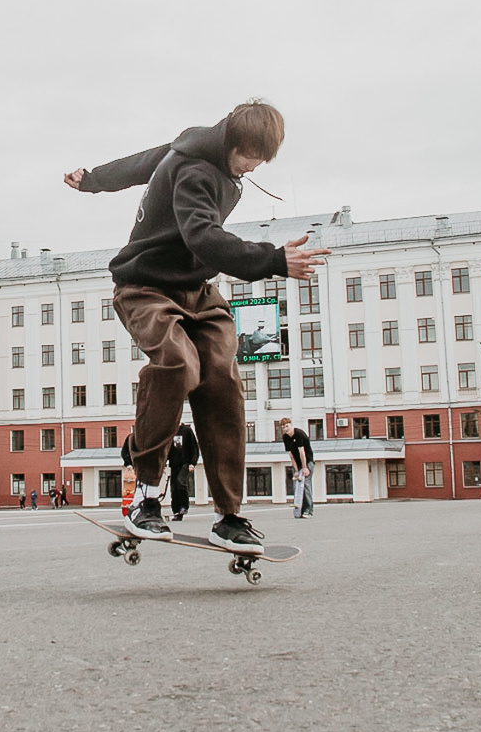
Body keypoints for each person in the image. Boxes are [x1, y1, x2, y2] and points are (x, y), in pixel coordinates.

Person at [65, 101, 329, 551]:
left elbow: (143, 162)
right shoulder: (196, 171)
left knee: (222, 379)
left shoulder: (190, 144)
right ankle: (145, 497)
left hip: (198, 293)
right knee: (176, 361)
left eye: (261, 161)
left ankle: (229, 515)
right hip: (144, 286)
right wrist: (274, 259)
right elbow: (202, 236)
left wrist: (93, 180)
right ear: (232, 141)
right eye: (248, 157)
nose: (251, 167)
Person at [276, 417, 315, 518]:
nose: (285, 429)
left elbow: (302, 452)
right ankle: (299, 509)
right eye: (283, 427)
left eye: (287, 426)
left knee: (306, 484)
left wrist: (305, 467)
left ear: (291, 425)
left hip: (307, 461)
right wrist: (297, 470)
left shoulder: (299, 434)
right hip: (297, 464)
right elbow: (291, 455)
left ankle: (308, 510)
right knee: (297, 485)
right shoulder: (285, 437)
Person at [166, 419, 201, 524]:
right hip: (174, 464)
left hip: (185, 462)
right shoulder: (170, 432)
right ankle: (177, 512)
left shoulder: (186, 430)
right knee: (174, 488)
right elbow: (167, 450)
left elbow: (194, 447)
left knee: (181, 481)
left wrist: (192, 463)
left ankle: (184, 506)